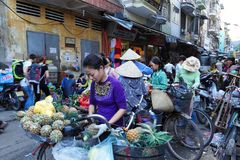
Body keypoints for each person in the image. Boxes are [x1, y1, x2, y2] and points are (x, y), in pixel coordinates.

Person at [83, 54, 127, 137]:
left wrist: (107, 124)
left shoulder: (115, 84)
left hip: (114, 128)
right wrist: (90, 115)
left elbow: (122, 108)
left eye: (92, 75)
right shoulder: (93, 84)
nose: (90, 78)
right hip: (99, 126)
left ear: (101, 68)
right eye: (88, 75)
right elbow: (92, 103)